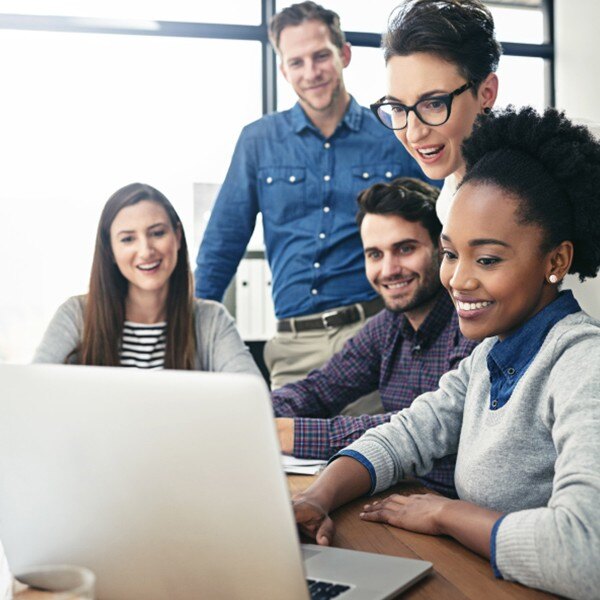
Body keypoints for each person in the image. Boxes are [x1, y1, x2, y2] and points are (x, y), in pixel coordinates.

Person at [292, 107, 600, 600]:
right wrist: (316, 498)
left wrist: (445, 512)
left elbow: (585, 553)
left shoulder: (583, 364)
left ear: (556, 261)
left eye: (488, 259)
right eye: (452, 253)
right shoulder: (490, 356)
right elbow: (404, 435)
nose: (457, 279)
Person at [195, 1, 435, 395]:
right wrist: (192, 340)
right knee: (282, 450)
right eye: (297, 62)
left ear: (344, 54)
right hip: (293, 348)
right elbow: (221, 246)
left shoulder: (394, 133)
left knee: (369, 453)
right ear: (283, 69)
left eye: (321, 56)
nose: (311, 72)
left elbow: (440, 227)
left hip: (376, 336)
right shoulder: (258, 142)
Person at [273, 177, 477, 496]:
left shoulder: (471, 320)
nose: (389, 270)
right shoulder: (387, 326)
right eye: (375, 255)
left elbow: (425, 427)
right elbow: (320, 389)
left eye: (405, 249)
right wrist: (256, 415)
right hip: (400, 497)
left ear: (442, 247)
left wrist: (291, 433)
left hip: (454, 508)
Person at [34, 183, 260, 375]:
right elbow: (32, 395)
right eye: (128, 239)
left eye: (157, 233)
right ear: (110, 251)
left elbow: (254, 403)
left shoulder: (211, 320)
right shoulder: (76, 315)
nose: (145, 250)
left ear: (177, 236)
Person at [370, 0, 500, 225]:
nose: (413, 134)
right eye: (398, 108)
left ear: (486, 94)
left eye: (434, 104)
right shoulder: (448, 200)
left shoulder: (527, 194)